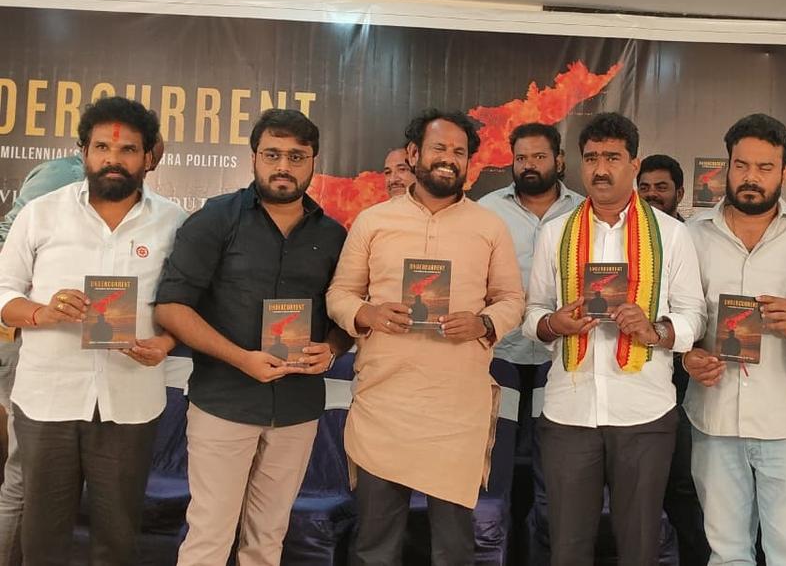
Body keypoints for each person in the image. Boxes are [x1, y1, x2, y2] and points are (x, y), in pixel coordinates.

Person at [326, 108, 525, 565]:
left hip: (456, 410)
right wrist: (368, 313)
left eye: (459, 152)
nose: (449, 159)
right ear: (414, 153)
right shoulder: (373, 221)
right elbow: (339, 294)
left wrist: (483, 323)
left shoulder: (489, 226)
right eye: (439, 148)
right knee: (375, 547)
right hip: (384, 404)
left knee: (453, 548)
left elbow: (512, 299)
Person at [155, 109, 348, 566]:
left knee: (268, 538)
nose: (283, 166)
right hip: (225, 402)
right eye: (272, 154)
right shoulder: (215, 219)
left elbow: (345, 311)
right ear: (254, 158)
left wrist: (333, 348)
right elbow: (171, 307)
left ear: (313, 161)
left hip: (297, 407)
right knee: (209, 535)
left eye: (296, 156)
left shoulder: (333, 235)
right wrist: (241, 358)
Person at [0, 96, 186, 565]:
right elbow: (3, 292)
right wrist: (42, 313)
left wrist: (165, 342)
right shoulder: (41, 213)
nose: (113, 159)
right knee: (42, 539)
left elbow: (188, 305)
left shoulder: (175, 223)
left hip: (130, 401)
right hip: (48, 399)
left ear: (149, 156)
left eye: (127, 149)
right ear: (83, 151)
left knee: (117, 539)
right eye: (102, 147)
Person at [523, 112, 706, 565]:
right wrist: (554, 324)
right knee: (567, 548)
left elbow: (694, 317)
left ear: (634, 163)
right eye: (591, 158)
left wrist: (654, 330)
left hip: (644, 413)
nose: (600, 169)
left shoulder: (671, 234)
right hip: (569, 412)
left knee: (640, 547)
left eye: (612, 158)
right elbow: (533, 313)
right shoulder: (555, 233)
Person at [682, 113, 786, 565]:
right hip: (714, 416)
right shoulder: (690, 235)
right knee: (726, 554)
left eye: (765, 168)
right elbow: (679, 317)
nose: (751, 178)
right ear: (727, 166)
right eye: (741, 165)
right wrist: (688, 356)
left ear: (785, 173)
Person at [477, 122, 583, 564]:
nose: (529, 165)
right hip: (500, 354)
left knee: (551, 465)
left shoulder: (584, 212)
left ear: (559, 160)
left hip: (561, 357)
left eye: (539, 157)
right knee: (495, 465)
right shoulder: (486, 211)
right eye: (521, 158)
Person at [638, 151, 710, 564]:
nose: (652, 195)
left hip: (686, 373)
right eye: (645, 187)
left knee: (683, 484)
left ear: (680, 193)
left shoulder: (693, 237)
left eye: (661, 188)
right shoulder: (620, 239)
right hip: (637, 375)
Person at [637, 154, 685, 220]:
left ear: (679, 194)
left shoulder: (688, 227)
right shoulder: (626, 226)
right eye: (644, 188)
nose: (651, 193)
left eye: (661, 187)